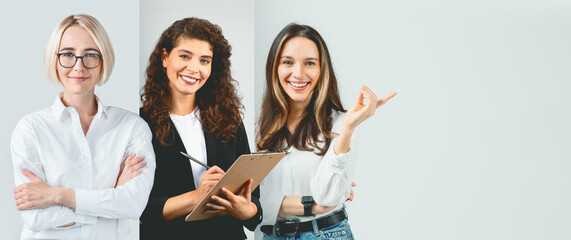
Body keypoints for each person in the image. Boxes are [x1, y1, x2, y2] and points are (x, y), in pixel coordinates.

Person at [10, 14, 155, 240]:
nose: (79, 66)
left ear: (103, 60)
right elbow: (35, 217)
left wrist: (57, 196)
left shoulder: (131, 127)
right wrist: (111, 201)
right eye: (68, 54)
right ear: (55, 60)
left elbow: (134, 205)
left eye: (90, 55)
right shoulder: (30, 129)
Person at [254, 23, 396, 239]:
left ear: (322, 70)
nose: (298, 73)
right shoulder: (259, 124)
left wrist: (348, 129)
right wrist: (309, 206)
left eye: (309, 63)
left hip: (324, 234)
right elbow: (249, 197)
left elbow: (328, 197)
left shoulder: (341, 123)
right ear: (275, 67)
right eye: (288, 62)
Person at [139, 17, 261, 239]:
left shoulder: (228, 118)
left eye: (205, 60)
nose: (194, 68)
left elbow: (255, 202)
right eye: (185, 56)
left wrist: (246, 210)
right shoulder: (140, 124)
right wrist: (196, 197)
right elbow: (140, 210)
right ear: (165, 58)